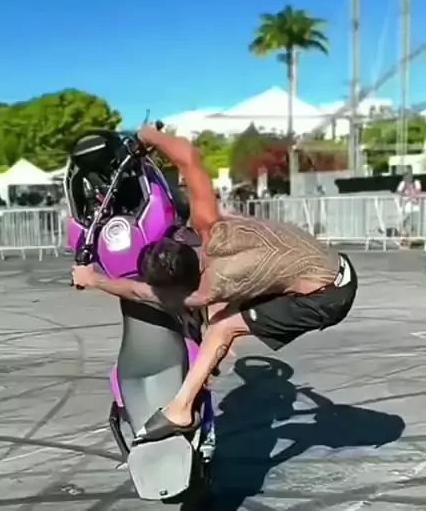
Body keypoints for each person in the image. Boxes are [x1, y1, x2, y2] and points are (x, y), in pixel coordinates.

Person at [73, 124, 358, 442]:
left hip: (328, 295)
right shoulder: (206, 220)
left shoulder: (207, 291)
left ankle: (180, 410)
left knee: (223, 327)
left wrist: (95, 279)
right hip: (327, 260)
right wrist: (148, 137)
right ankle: (209, 361)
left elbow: (143, 293)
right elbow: (188, 156)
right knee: (231, 226)